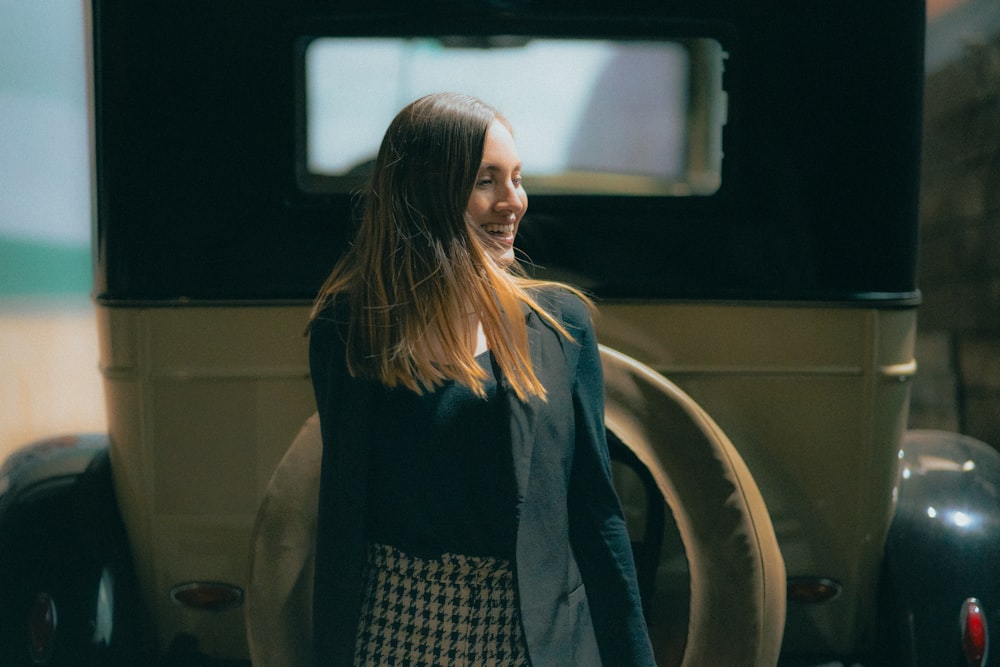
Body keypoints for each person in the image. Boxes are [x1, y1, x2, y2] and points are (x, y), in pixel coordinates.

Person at [308, 92, 656, 667]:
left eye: (516, 178)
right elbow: (342, 511)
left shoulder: (559, 324)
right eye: (486, 181)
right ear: (426, 193)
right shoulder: (348, 327)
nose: (513, 202)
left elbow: (595, 512)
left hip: (532, 632)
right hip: (392, 631)